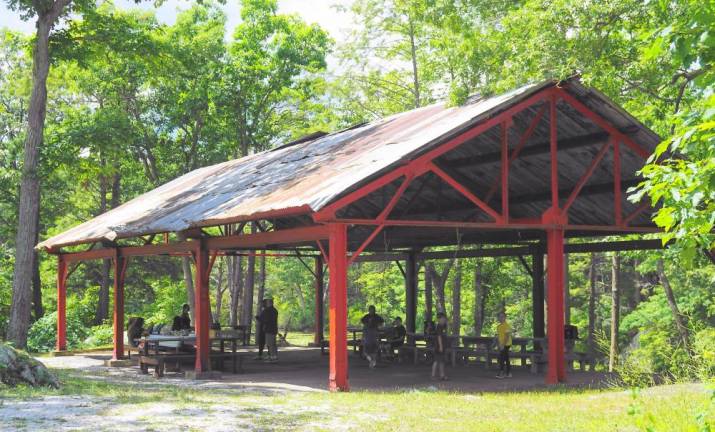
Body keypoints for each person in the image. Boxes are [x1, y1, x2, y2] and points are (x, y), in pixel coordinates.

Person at [259, 298, 279, 362]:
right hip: (274, 329)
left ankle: (272, 358)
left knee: (270, 344)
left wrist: (259, 319)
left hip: (269, 329)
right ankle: (274, 356)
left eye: (266, 303)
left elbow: (265, 320)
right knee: (273, 343)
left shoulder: (267, 310)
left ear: (269, 303)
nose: (265, 304)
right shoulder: (275, 310)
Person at [431, 312, 449, 381]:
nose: (444, 320)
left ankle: (442, 375)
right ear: (439, 319)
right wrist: (441, 346)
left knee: (442, 361)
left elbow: (447, 332)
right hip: (438, 346)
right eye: (443, 319)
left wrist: (447, 324)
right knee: (436, 361)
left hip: (443, 346)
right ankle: (433, 375)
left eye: (445, 319)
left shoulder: (443, 326)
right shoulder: (439, 326)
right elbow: (439, 337)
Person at [495, 311, 513, 379]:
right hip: (501, 344)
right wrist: (498, 344)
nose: (500, 318)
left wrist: (503, 345)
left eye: (502, 317)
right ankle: (509, 373)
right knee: (506, 358)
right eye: (499, 317)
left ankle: (502, 373)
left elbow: (507, 336)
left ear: (505, 317)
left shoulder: (507, 326)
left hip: (506, 344)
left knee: (502, 358)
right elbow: (499, 336)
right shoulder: (499, 326)